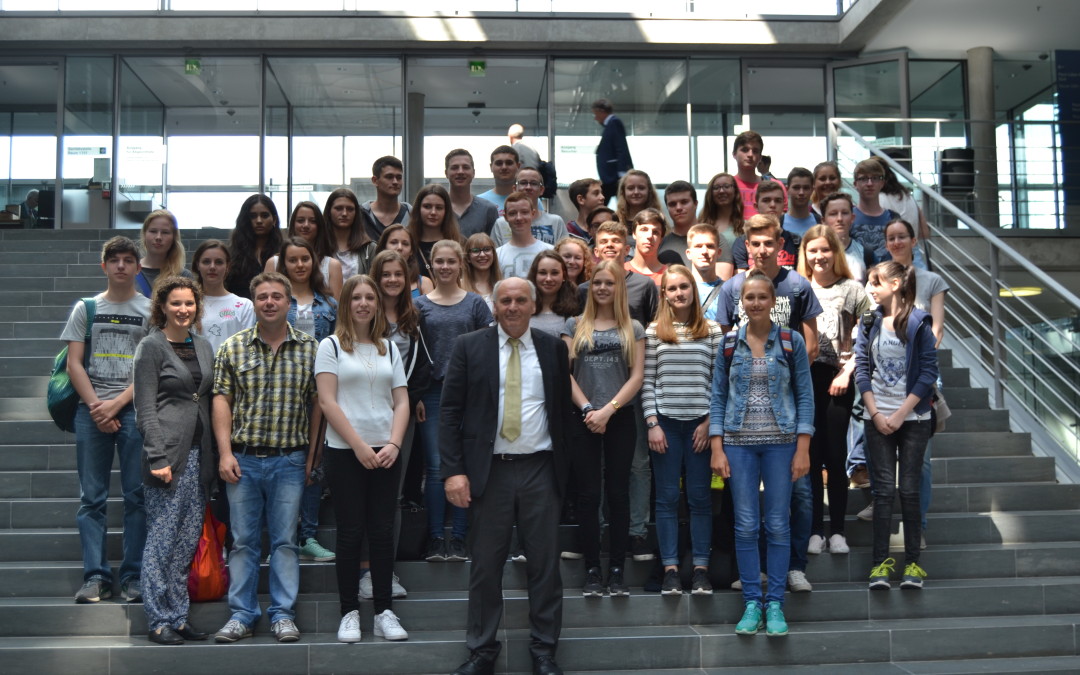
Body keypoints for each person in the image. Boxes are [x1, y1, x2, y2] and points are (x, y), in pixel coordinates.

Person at [442, 277, 573, 675]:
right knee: (485, 566)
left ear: (533, 305)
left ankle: (544, 650)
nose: (513, 307)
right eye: (505, 301)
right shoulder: (469, 347)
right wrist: (454, 472)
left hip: (540, 469)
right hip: (489, 472)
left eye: (520, 300)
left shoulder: (553, 349)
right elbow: (448, 414)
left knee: (545, 567)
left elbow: (562, 414)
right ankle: (482, 651)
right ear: (494, 307)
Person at [212, 271, 319, 644]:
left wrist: (312, 454)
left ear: (289, 303)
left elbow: (318, 404)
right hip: (242, 460)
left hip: (289, 460)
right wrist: (224, 453)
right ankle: (241, 615)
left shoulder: (311, 349)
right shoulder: (233, 348)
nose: (270, 302)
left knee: (286, 541)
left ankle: (282, 615)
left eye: (277, 296)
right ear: (253, 303)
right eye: (262, 297)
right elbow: (221, 400)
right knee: (242, 542)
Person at [716, 214, 821, 592]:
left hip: (786, 413)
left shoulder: (797, 285)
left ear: (780, 244)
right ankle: (753, 575)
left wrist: (785, 380)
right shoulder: (730, 288)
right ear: (746, 245)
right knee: (746, 515)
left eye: (768, 243)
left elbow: (811, 343)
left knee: (800, 496)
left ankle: (793, 567)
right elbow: (728, 357)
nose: (761, 250)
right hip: (742, 427)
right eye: (754, 243)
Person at [709, 268, 814, 637]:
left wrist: (803, 447)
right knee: (746, 525)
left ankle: (776, 606)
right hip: (738, 446)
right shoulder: (727, 343)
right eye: (749, 297)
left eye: (762, 297)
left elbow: (804, 395)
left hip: (781, 444)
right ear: (742, 302)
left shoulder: (791, 341)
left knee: (779, 524)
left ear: (773, 302)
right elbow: (718, 397)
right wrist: (716, 446)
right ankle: (752, 601)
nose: (755, 303)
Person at [316, 274, 411, 643]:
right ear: (346, 303)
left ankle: (385, 611)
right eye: (356, 297)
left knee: (383, 533)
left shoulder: (389, 347)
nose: (364, 303)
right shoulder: (331, 346)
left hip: (387, 453)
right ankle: (349, 612)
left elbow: (401, 400)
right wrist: (358, 446)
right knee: (351, 533)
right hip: (345, 453)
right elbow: (327, 402)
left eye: (370, 297)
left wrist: (394, 444)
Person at [61, 236, 150, 605]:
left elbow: (150, 368)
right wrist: (98, 406)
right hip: (91, 410)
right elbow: (73, 363)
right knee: (91, 499)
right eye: (114, 260)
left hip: (131, 410)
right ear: (104, 266)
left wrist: (115, 406)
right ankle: (95, 577)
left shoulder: (149, 310)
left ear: (138, 267)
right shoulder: (87, 307)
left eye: (128, 260)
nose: (121, 266)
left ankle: (132, 577)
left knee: (136, 497)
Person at [133, 275, 215, 645]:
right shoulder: (151, 346)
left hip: (201, 455)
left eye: (190, 303)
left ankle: (178, 616)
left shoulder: (203, 345)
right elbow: (144, 406)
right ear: (162, 307)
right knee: (162, 540)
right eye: (176, 303)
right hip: (166, 457)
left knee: (185, 541)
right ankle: (157, 620)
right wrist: (156, 456)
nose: (184, 310)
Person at [562, 259, 645, 597]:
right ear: (590, 286)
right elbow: (565, 374)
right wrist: (588, 409)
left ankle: (617, 570)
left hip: (620, 417)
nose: (602, 288)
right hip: (583, 417)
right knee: (588, 493)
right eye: (597, 282)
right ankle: (593, 569)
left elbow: (637, 376)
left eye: (609, 283)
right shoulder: (574, 324)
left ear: (618, 287)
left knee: (618, 493)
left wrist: (608, 411)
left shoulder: (634, 328)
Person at [642, 265, 723, 596]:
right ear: (664, 294)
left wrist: (709, 423)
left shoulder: (713, 331)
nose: (679, 293)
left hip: (700, 428)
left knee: (701, 498)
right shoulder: (653, 332)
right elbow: (647, 380)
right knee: (666, 498)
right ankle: (671, 570)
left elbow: (720, 382)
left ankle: (701, 570)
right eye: (672, 288)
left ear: (693, 290)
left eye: (684, 287)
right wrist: (652, 424)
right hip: (666, 426)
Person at [856, 262, 937, 591]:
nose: (870, 288)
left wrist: (901, 414)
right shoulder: (870, 320)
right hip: (877, 419)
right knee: (883, 492)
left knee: (909, 490)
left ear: (896, 284)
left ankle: (914, 564)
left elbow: (928, 373)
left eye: (876, 282)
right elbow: (861, 366)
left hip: (913, 419)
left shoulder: (919, 322)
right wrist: (875, 414)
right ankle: (879, 565)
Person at [414, 240, 494, 563]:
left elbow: (489, 348)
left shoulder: (475, 304)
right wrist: (417, 394)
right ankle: (435, 538)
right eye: (439, 262)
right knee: (435, 467)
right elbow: (416, 355)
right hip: (433, 394)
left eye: (451, 261)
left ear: (461, 265)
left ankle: (459, 539)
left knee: (466, 465)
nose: (445, 267)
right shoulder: (419, 306)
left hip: (470, 394)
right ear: (431, 266)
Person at [363, 250, 433, 601]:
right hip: (362, 415)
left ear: (407, 280)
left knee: (393, 495)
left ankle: (385, 570)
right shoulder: (362, 313)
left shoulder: (414, 318)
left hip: (399, 418)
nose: (392, 280)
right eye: (385, 274)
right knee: (365, 495)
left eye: (398, 275)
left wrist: (411, 398)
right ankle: (365, 570)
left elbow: (422, 368)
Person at [797, 226, 870, 556]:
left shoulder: (852, 289)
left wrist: (850, 369)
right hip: (805, 379)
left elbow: (872, 335)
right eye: (813, 250)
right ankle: (814, 530)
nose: (819, 257)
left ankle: (837, 530)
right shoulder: (799, 288)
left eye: (825, 250)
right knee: (810, 457)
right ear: (805, 254)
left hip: (839, 379)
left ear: (834, 253)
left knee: (836, 456)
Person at [277, 236, 338, 563]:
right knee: (283, 465)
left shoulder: (328, 304)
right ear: (283, 264)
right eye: (293, 259)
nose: (299, 265)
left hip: (321, 390)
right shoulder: (276, 300)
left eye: (305, 259)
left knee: (314, 463)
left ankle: (309, 535)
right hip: (283, 391)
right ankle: (283, 538)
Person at [579, 220, 658, 328]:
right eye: (603, 242)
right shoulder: (584, 289)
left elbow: (655, 325)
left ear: (627, 250)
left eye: (616, 241)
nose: (609, 245)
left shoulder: (644, 285)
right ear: (596, 252)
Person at [264, 201, 345, 299]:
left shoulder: (332, 266)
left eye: (313, 221)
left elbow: (335, 309)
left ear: (320, 226)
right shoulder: (273, 263)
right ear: (293, 224)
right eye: (300, 220)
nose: (306, 225)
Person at [190, 239, 255, 357]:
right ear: (197, 265)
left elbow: (247, 349)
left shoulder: (244, 306)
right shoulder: (188, 304)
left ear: (228, 267)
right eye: (206, 262)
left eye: (219, 262)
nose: (212, 267)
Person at [490, 167, 567, 247]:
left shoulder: (556, 222)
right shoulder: (501, 224)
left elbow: (564, 254)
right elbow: (495, 256)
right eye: (523, 183)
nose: (528, 187)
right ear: (514, 189)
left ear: (541, 190)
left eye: (534, 183)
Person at [731, 183, 800, 272]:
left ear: (784, 206)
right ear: (756, 206)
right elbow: (741, 280)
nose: (772, 205)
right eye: (766, 200)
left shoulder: (795, 241)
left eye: (778, 200)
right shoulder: (742, 241)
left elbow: (801, 275)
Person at [226, 195, 282, 300]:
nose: (259, 220)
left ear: (274, 219)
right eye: (253, 216)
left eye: (265, 215)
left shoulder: (283, 253)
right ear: (245, 220)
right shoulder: (232, 255)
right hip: (239, 313)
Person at [408, 183, 465, 281]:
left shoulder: (461, 243)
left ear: (446, 211)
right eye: (427, 206)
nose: (433, 212)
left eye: (439, 208)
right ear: (418, 209)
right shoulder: (407, 243)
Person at [495, 191, 554, 279]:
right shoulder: (497, 255)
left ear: (533, 214)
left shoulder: (550, 251)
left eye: (524, 212)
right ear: (505, 217)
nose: (519, 218)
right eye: (512, 213)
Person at [851, 158, 898, 265]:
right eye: (863, 179)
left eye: (875, 178)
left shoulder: (893, 218)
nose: (870, 183)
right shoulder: (847, 216)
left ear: (882, 183)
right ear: (855, 184)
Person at [135, 209, 192, 297]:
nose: (158, 237)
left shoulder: (184, 276)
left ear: (174, 238)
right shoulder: (130, 271)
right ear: (144, 234)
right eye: (153, 231)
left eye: (165, 232)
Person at [820, 192, 874, 284]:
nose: (840, 218)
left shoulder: (866, 253)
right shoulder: (814, 252)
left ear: (852, 218)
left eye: (845, 213)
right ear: (823, 221)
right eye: (833, 214)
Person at [697, 172, 743, 280]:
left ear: (735, 190)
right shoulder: (702, 224)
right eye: (716, 187)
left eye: (726, 186)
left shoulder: (744, 226)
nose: (721, 191)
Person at [731, 130, 786, 218]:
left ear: (760, 157)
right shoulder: (726, 187)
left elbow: (783, 218)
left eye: (755, 151)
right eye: (745, 150)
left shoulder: (776, 186)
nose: (750, 154)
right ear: (734, 154)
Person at [445, 149, 499, 237]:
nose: (460, 172)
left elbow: (493, 247)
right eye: (455, 167)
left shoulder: (488, 210)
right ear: (446, 173)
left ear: (473, 173)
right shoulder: (437, 209)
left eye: (465, 167)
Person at [324, 187, 376, 279]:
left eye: (350, 209)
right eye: (338, 208)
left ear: (356, 213)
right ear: (329, 211)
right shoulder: (318, 246)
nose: (344, 213)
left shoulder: (369, 249)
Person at [360, 156, 411, 242]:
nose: (395, 182)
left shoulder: (412, 215)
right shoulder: (360, 215)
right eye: (389, 177)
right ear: (375, 180)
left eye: (399, 177)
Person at [527, 250, 579, 336]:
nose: (548, 279)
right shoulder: (523, 305)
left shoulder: (576, 308)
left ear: (564, 276)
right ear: (535, 275)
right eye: (542, 273)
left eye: (554, 273)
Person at [375, 223, 435, 297]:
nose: (399, 247)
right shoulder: (372, 282)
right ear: (384, 247)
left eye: (405, 244)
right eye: (394, 242)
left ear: (411, 251)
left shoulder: (424, 283)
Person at [592, 98, 633, 202]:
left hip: (613, 175)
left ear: (601, 111)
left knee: (619, 203)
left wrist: (622, 172)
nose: (595, 118)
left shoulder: (614, 123)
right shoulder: (610, 125)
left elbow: (621, 147)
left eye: (596, 114)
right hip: (610, 176)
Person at [685, 224, 724, 321]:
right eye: (698, 246)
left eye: (710, 246)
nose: (704, 251)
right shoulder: (679, 288)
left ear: (718, 252)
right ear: (688, 254)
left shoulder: (728, 290)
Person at [659, 181, 698, 267]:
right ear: (667, 208)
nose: (679, 208)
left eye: (684, 202)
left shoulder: (714, 239)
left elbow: (724, 279)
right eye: (672, 204)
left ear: (695, 204)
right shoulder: (659, 243)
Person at [625, 208, 668, 284]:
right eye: (644, 229)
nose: (649, 236)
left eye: (655, 232)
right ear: (634, 234)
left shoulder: (670, 276)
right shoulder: (620, 272)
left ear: (661, 238)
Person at [463, 232, 503, 311]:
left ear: (494, 254)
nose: (482, 255)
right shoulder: (459, 286)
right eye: (475, 250)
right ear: (468, 257)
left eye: (487, 249)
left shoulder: (504, 286)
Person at [477, 145, 521, 215]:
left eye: (509, 163)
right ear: (491, 167)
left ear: (518, 166)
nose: (504, 167)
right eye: (499, 163)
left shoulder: (531, 200)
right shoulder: (479, 202)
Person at [783, 168, 821, 238]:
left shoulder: (821, 223)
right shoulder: (778, 223)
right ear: (787, 190)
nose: (801, 193)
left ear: (812, 190)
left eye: (806, 188)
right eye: (796, 188)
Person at [566, 178, 606, 244]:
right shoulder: (568, 233)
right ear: (581, 199)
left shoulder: (608, 228)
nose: (602, 197)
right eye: (596, 193)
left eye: (602, 193)